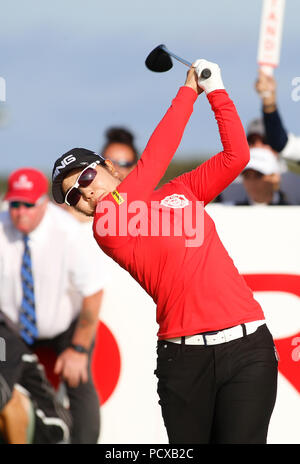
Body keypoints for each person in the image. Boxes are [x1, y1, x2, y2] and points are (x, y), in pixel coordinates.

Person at [51, 60, 278, 444]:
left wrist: (218, 92)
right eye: (75, 195)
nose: (85, 192)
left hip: (247, 348)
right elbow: (154, 158)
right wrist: (189, 90)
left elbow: (236, 157)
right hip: (184, 361)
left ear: (108, 167)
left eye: (87, 177)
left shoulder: (179, 192)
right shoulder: (108, 227)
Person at [0, 168, 106, 444]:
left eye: (28, 204)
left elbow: (92, 293)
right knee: (1, 376)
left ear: (43, 203)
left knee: (79, 381)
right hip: (10, 328)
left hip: (65, 326)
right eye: (15, 204)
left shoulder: (67, 231)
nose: (20, 212)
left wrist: (79, 349)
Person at [235, 119, 289, 205]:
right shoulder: (227, 189)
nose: (258, 146)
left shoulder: (295, 183)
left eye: (265, 141)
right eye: (252, 141)